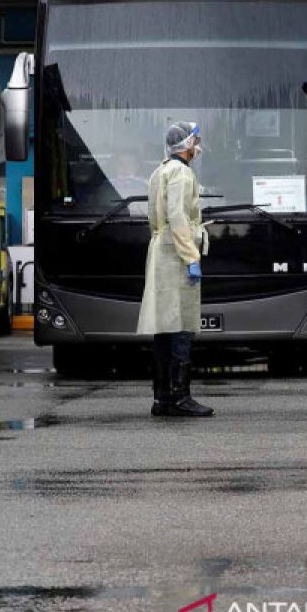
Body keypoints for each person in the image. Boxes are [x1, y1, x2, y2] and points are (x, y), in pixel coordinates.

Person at [135, 122, 214, 417]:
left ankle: (162, 398)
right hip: (176, 253)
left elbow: (156, 217)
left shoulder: (160, 171)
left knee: (164, 328)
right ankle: (181, 397)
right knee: (181, 326)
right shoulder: (182, 173)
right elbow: (178, 217)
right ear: (188, 144)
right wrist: (191, 256)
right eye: (195, 141)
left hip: (160, 250)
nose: (197, 147)